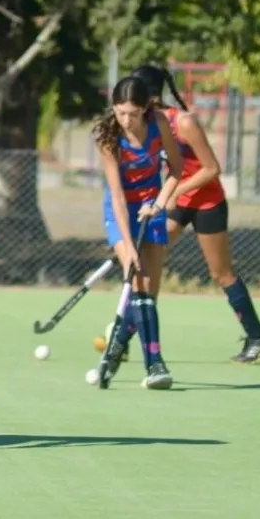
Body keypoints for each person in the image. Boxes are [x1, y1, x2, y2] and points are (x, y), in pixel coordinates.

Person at [133, 64, 260, 363]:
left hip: (207, 204)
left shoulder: (183, 123)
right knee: (150, 257)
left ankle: (258, 335)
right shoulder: (149, 124)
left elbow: (212, 169)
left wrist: (174, 192)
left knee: (220, 273)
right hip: (179, 201)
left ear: (151, 96)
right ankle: (127, 333)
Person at [93, 75, 183, 390]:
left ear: (145, 108)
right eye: (120, 112)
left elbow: (176, 167)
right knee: (138, 279)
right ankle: (155, 365)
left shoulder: (158, 122)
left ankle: (116, 345)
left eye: (132, 113)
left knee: (148, 292)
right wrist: (128, 247)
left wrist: (159, 205)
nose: (126, 120)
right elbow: (117, 196)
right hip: (121, 211)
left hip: (151, 206)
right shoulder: (108, 137)